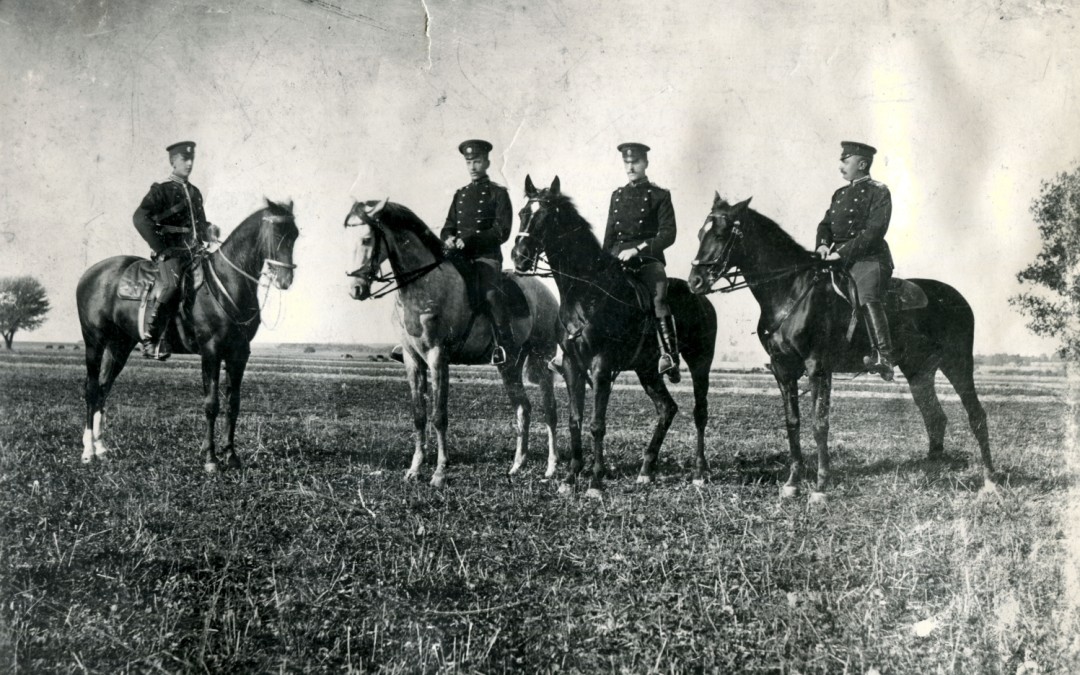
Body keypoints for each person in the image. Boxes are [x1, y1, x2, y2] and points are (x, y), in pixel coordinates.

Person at [815, 140, 895, 381]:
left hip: (868, 258)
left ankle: (885, 357)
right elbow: (825, 224)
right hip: (836, 259)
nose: (840, 166)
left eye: (845, 161)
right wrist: (822, 244)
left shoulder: (879, 191)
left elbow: (874, 231)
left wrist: (843, 252)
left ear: (861, 164)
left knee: (867, 295)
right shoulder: (839, 194)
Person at [602, 141, 680, 382]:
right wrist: (605, 261)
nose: (630, 166)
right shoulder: (617, 196)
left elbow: (668, 234)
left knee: (658, 299)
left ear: (645, 163)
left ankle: (669, 356)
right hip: (618, 262)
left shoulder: (659, 196)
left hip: (647, 261)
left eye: (635, 161)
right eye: (627, 162)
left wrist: (637, 250)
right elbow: (609, 238)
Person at [132, 141, 212, 360]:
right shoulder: (162, 190)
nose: (189, 163)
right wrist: (161, 248)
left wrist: (210, 230)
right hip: (171, 253)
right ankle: (151, 340)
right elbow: (140, 218)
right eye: (184, 159)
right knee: (172, 285)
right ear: (173, 161)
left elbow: (200, 226)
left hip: (194, 252)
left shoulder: (195, 192)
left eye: (191, 159)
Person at [442, 139, 514, 365]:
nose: (473, 166)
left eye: (477, 161)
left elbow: (502, 231)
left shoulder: (498, 194)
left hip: (486, 257)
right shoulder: (460, 194)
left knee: (491, 295)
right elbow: (448, 226)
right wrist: (449, 238)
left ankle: (504, 346)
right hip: (458, 257)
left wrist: (471, 240)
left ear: (487, 162)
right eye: (469, 162)